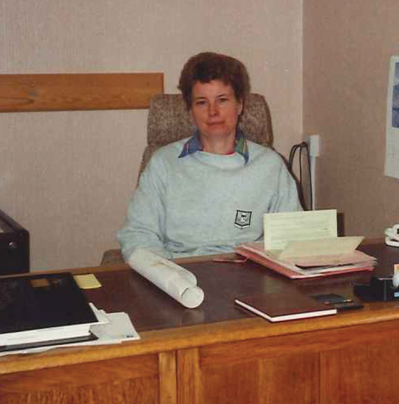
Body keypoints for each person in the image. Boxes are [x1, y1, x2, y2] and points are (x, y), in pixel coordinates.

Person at [118, 52, 301, 261]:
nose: (213, 112)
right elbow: (138, 235)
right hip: (180, 274)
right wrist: (167, 275)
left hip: (249, 277)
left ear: (239, 105)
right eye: (202, 102)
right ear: (190, 110)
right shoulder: (163, 163)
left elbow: (293, 239)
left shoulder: (270, 165)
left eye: (222, 100)